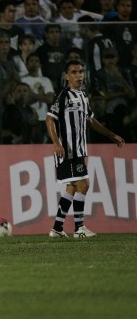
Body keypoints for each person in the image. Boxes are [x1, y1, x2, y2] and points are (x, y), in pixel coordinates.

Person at [47, 59, 125, 238]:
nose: (79, 75)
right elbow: (49, 119)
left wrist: (110, 134)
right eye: (74, 72)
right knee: (84, 184)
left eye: (81, 71)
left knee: (72, 187)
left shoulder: (83, 96)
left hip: (79, 150)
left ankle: (57, 228)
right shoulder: (63, 95)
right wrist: (57, 143)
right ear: (66, 76)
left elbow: (90, 120)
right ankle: (79, 228)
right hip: (68, 150)